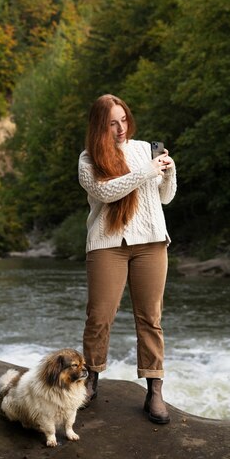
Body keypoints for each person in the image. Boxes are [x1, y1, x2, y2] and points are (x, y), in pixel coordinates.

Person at [78, 93, 177, 424]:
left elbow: (164, 198)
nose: (120, 128)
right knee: (99, 316)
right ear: (99, 126)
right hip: (108, 243)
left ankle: (155, 390)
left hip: (151, 242)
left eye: (123, 120)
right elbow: (106, 193)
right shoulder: (88, 159)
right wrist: (148, 170)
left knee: (150, 317)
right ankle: (91, 379)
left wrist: (168, 172)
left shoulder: (145, 148)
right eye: (111, 123)